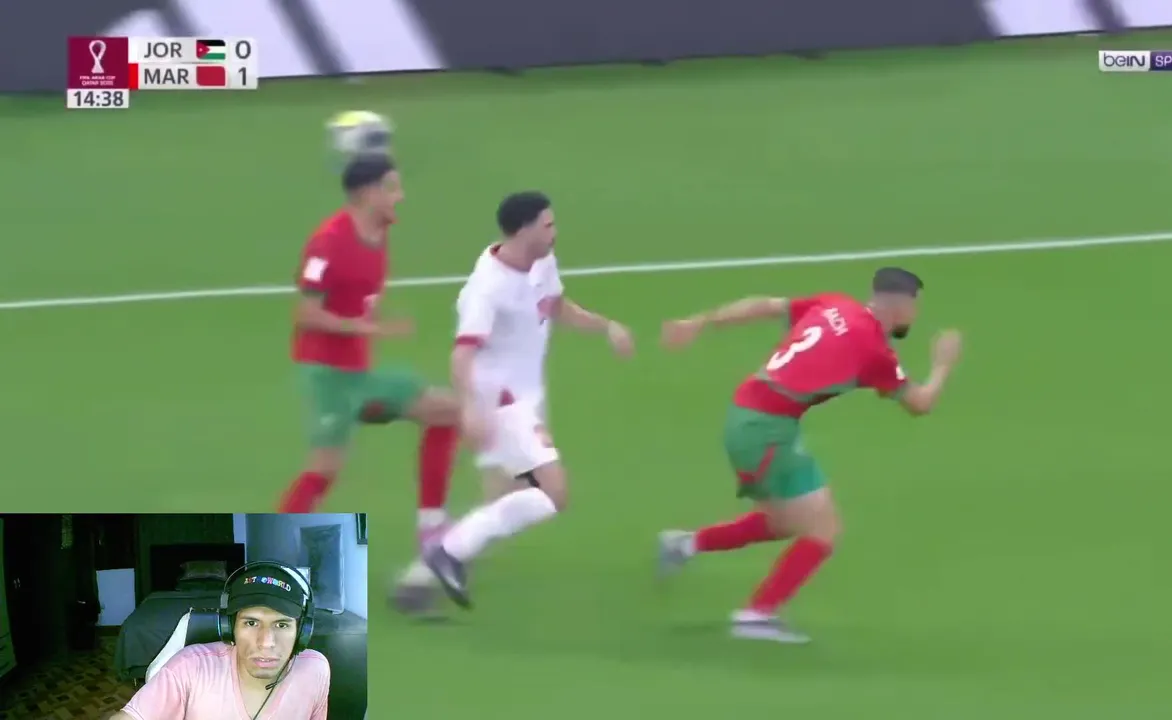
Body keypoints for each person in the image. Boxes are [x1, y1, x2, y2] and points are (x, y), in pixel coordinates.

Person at [655, 268, 962, 643]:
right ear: (902, 306)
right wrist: (943, 364)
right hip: (766, 431)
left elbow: (765, 306)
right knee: (823, 528)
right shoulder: (875, 351)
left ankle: (685, 545)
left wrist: (700, 321)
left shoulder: (835, 305)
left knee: (785, 521)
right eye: (915, 307)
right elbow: (920, 404)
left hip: (750, 413)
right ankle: (756, 615)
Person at [420, 191, 634, 609]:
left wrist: (606, 326)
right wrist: (469, 407)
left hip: (527, 396)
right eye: (547, 225)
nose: (555, 232)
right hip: (501, 402)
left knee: (504, 495)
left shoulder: (541, 260)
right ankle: (446, 551)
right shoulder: (488, 288)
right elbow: (462, 353)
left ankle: (429, 573)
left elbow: (556, 306)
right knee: (553, 494)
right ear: (523, 230)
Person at [279, 153, 462, 514]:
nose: (400, 196)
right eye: (392, 188)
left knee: (446, 411)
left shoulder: (380, 233)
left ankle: (432, 526)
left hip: (360, 376)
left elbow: (359, 299)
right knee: (324, 468)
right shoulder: (328, 243)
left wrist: (376, 320)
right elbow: (306, 314)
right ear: (367, 193)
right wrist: (370, 328)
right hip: (327, 377)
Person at [112, 563, 329, 720]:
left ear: (302, 631)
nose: (266, 643)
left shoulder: (315, 670)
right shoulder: (189, 667)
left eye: (281, 625)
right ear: (228, 628)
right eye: (251, 623)